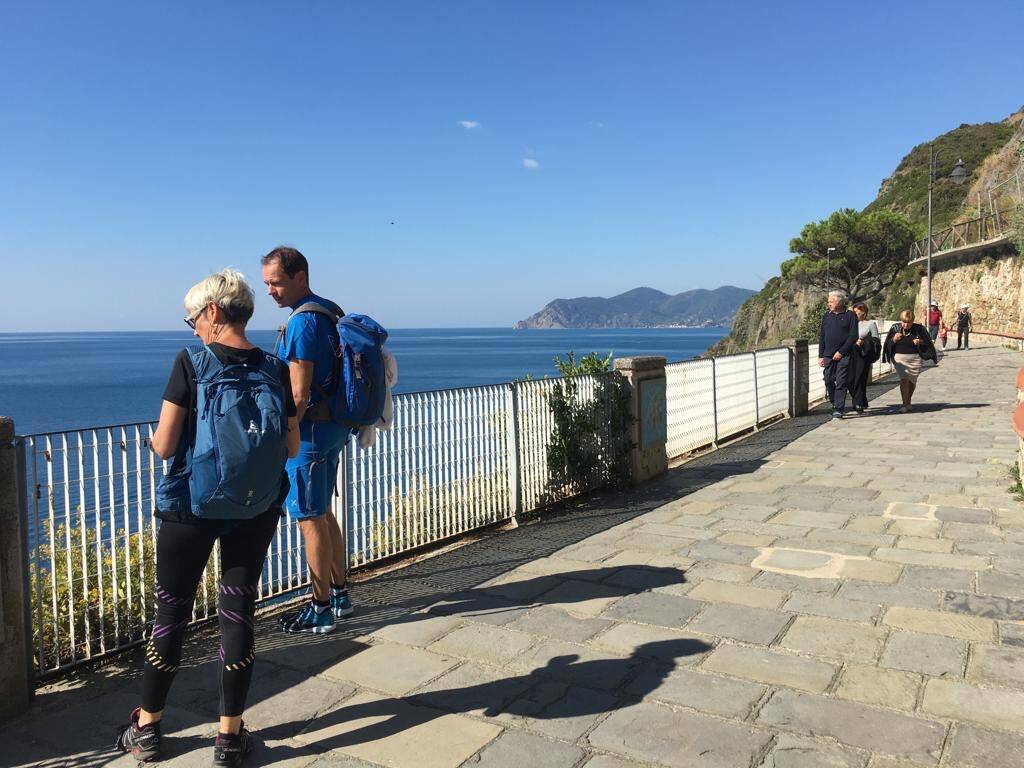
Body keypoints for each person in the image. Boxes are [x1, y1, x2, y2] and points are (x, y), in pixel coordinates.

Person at [116, 270, 299, 766]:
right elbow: (291, 444)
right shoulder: (274, 367)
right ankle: (228, 736)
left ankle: (149, 728)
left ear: (214, 312)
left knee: (171, 613)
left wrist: (155, 443)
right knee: (237, 613)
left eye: (193, 317)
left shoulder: (190, 363)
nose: (192, 327)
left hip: (188, 509)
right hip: (255, 506)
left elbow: (166, 444)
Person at [261, 247, 354, 634]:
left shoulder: (301, 323)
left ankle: (319, 609)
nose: (270, 291)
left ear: (300, 277)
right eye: (266, 283)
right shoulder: (329, 310)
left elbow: (298, 395)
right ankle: (340, 596)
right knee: (323, 512)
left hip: (310, 435)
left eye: (276, 282)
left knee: (309, 519)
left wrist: (286, 437)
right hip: (334, 428)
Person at [883, 309, 937, 413]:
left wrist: (920, 342)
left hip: (915, 358)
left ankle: (908, 402)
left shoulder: (920, 329)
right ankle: (904, 404)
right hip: (899, 358)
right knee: (904, 379)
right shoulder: (895, 328)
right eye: (903, 322)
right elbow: (887, 344)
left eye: (908, 322)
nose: (906, 325)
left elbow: (928, 343)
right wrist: (894, 339)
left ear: (912, 321)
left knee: (912, 381)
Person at [818, 290, 859, 419]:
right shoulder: (826, 316)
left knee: (841, 381)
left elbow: (853, 336)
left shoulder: (850, 315)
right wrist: (820, 355)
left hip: (844, 355)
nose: (828, 303)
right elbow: (822, 336)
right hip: (828, 355)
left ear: (839, 302)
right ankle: (834, 402)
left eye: (830, 301)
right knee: (828, 379)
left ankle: (838, 409)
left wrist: (841, 352)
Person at [848, 302, 880, 414]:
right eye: (854, 311)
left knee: (860, 379)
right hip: (850, 354)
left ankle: (858, 403)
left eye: (857, 312)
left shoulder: (870, 324)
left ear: (864, 312)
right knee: (849, 380)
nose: (855, 314)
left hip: (862, 355)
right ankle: (862, 400)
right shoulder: (850, 323)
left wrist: (863, 342)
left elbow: (876, 341)